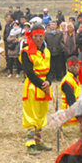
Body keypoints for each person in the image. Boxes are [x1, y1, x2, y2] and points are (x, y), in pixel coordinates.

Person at [19, 24, 52, 155]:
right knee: (31, 115)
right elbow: (29, 72)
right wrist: (42, 84)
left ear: (44, 36)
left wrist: (48, 82)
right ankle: (30, 143)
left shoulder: (47, 52)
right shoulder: (26, 52)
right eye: (36, 36)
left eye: (40, 36)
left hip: (45, 86)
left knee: (41, 114)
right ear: (31, 37)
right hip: (33, 86)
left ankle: (39, 141)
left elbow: (50, 69)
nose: (38, 39)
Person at [59, 56, 82, 125]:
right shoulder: (67, 80)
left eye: (77, 66)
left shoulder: (74, 78)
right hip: (70, 113)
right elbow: (70, 98)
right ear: (69, 67)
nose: (76, 68)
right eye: (73, 66)